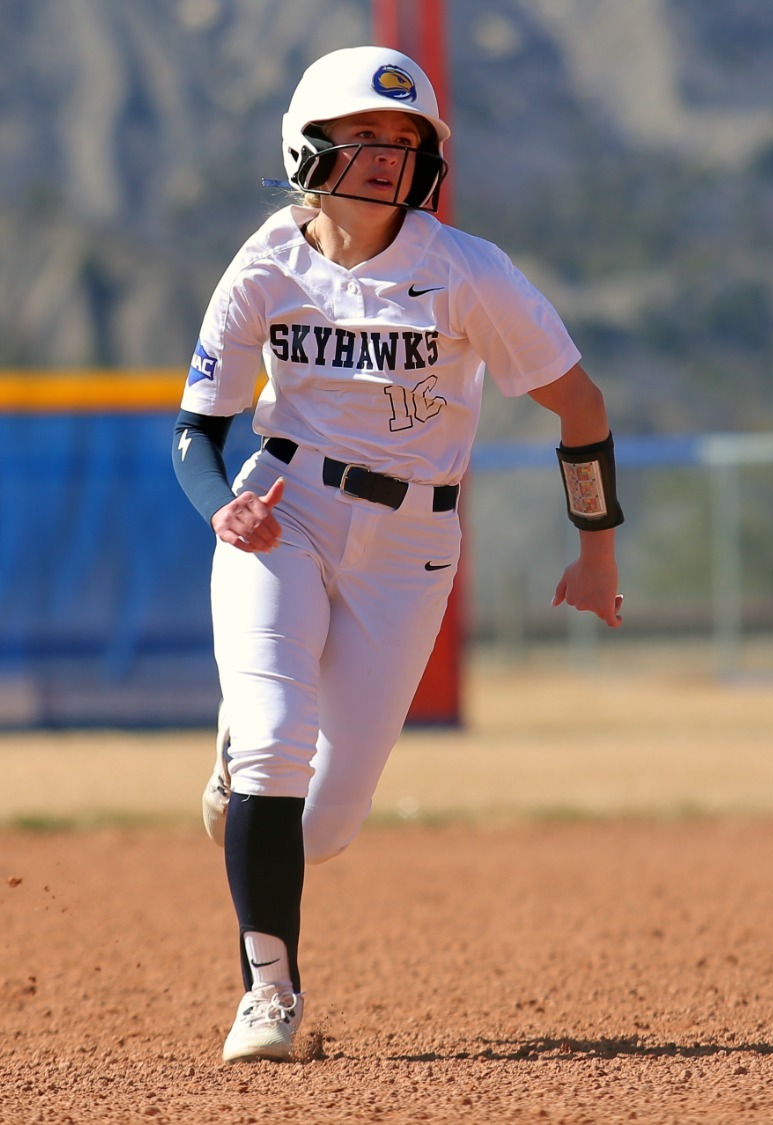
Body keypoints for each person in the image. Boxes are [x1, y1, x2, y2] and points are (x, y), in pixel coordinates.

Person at [172, 46, 625, 1063]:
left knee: (323, 824)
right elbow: (194, 432)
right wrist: (218, 511)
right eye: (364, 136)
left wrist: (594, 550)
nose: (386, 155)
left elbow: (580, 407)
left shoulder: (465, 271)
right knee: (275, 745)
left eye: (405, 140)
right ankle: (269, 995)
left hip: (413, 540)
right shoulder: (264, 264)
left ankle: (248, 766)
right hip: (280, 512)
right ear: (310, 147)